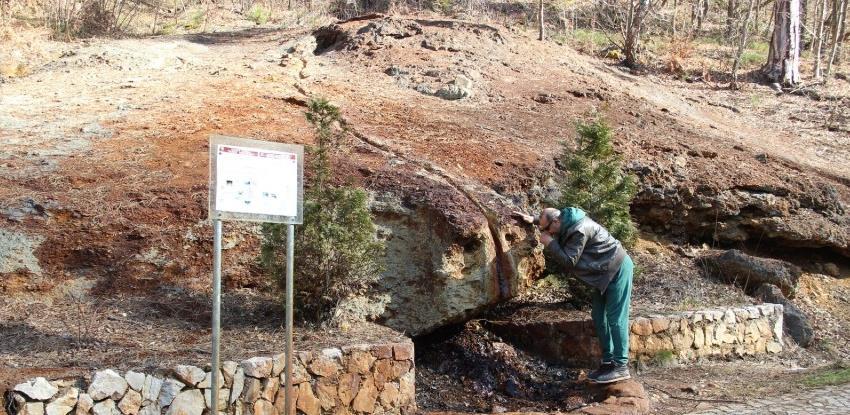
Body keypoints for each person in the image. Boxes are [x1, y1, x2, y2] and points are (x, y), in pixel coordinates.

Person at [514, 207, 634, 384]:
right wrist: (534, 219)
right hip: (603, 272)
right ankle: (608, 362)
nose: (546, 233)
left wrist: (550, 243)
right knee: (598, 316)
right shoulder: (564, 220)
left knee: (616, 318)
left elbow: (570, 260)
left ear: (556, 222)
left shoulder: (579, 230)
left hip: (617, 268)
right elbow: (551, 220)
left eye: (546, 229)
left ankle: (621, 366)